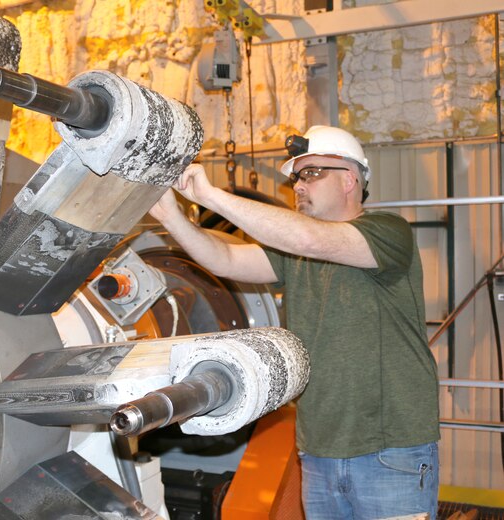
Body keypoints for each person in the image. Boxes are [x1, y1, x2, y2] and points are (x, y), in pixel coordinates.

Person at [149, 125, 440, 519]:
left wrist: (211, 196)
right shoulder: (295, 253)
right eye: (296, 177)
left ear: (350, 179)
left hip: (389, 453)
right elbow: (227, 260)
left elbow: (307, 239)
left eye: (311, 173)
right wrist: (171, 216)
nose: (298, 185)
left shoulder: (389, 233)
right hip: (318, 450)